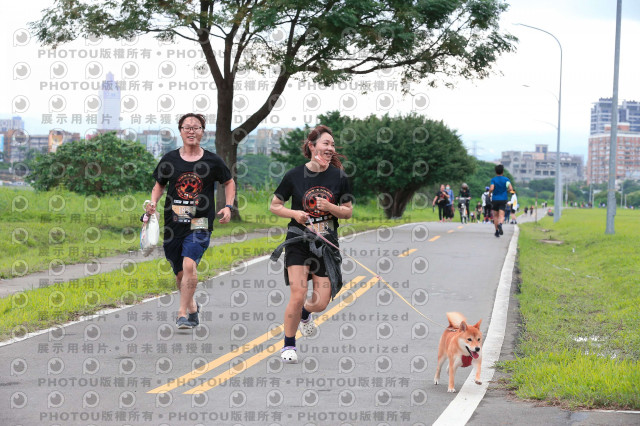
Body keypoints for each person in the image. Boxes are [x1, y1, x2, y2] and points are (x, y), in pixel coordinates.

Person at [269, 125, 353, 364]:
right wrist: (294, 214)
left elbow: (347, 212)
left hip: (326, 244)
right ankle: (288, 345)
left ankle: (306, 314)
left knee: (321, 302)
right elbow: (275, 205)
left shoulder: (339, 177)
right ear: (312, 146)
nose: (330, 148)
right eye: (326, 143)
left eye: (332, 145)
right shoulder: (294, 175)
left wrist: (331, 207)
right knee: (297, 294)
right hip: (298, 240)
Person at [145, 113, 236, 329]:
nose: (191, 131)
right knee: (180, 273)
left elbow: (229, 182)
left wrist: (228, 206)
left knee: (189, 264)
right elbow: (159, 185)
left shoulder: (213, 161)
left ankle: (181, 314)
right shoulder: (169, 159)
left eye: (196, 127)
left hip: (200, 222)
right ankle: (193, 308)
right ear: (180, 131)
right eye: (187, 127)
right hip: (173, 224)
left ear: (203, 132)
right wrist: (153, 203)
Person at [489, 164, 513, 237]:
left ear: (496, 172)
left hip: (495, 199)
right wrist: (506, 191)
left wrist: (489, 194)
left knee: (495, 216)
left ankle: (496, 232)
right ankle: (500, 224)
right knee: (501, 215)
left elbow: (491, 188)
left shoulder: (493, 180)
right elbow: (511, 189)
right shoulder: (506, 179)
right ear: (502, 171)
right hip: (503, 199)